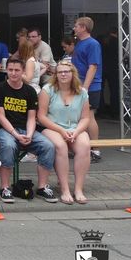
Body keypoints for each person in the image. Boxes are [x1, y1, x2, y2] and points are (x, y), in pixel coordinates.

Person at [0, 58, 59, 203]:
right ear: (6, 70)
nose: (13, 73)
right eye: (10, 70)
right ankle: (5, 188)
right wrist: (16, 135)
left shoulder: (30, 91)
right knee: (9, 145)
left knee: (48, 146)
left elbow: (32, 117)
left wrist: (29, 134)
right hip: (3, 129)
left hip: (26, 129)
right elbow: (1, 117)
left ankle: (42, 187)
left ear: (23, 72)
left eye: (17, 70)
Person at [37, 60, 91, 205]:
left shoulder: (82, 92)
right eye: (59, 72)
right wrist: (61, 130)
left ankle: (78, 189)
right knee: (60, 146)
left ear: (73, 74)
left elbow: (86, 118)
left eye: (66, 71)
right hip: (52, 127)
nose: (63, 74)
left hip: (75, 127)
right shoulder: (47, 90)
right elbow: (41, 117)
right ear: (55, 75)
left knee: (85, 145)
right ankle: (65, 189)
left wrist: (77, 131)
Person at [71, 17, 102, 162]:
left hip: (90, 86)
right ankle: (83, 147)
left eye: (76, 26)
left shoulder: (93, 44)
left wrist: (85, 88)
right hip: (79, 84)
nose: (74, 28)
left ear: (83, 27)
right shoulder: (80, 43)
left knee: (89, 116)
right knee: (81, 117)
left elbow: (93, 66)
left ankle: (95, 150)